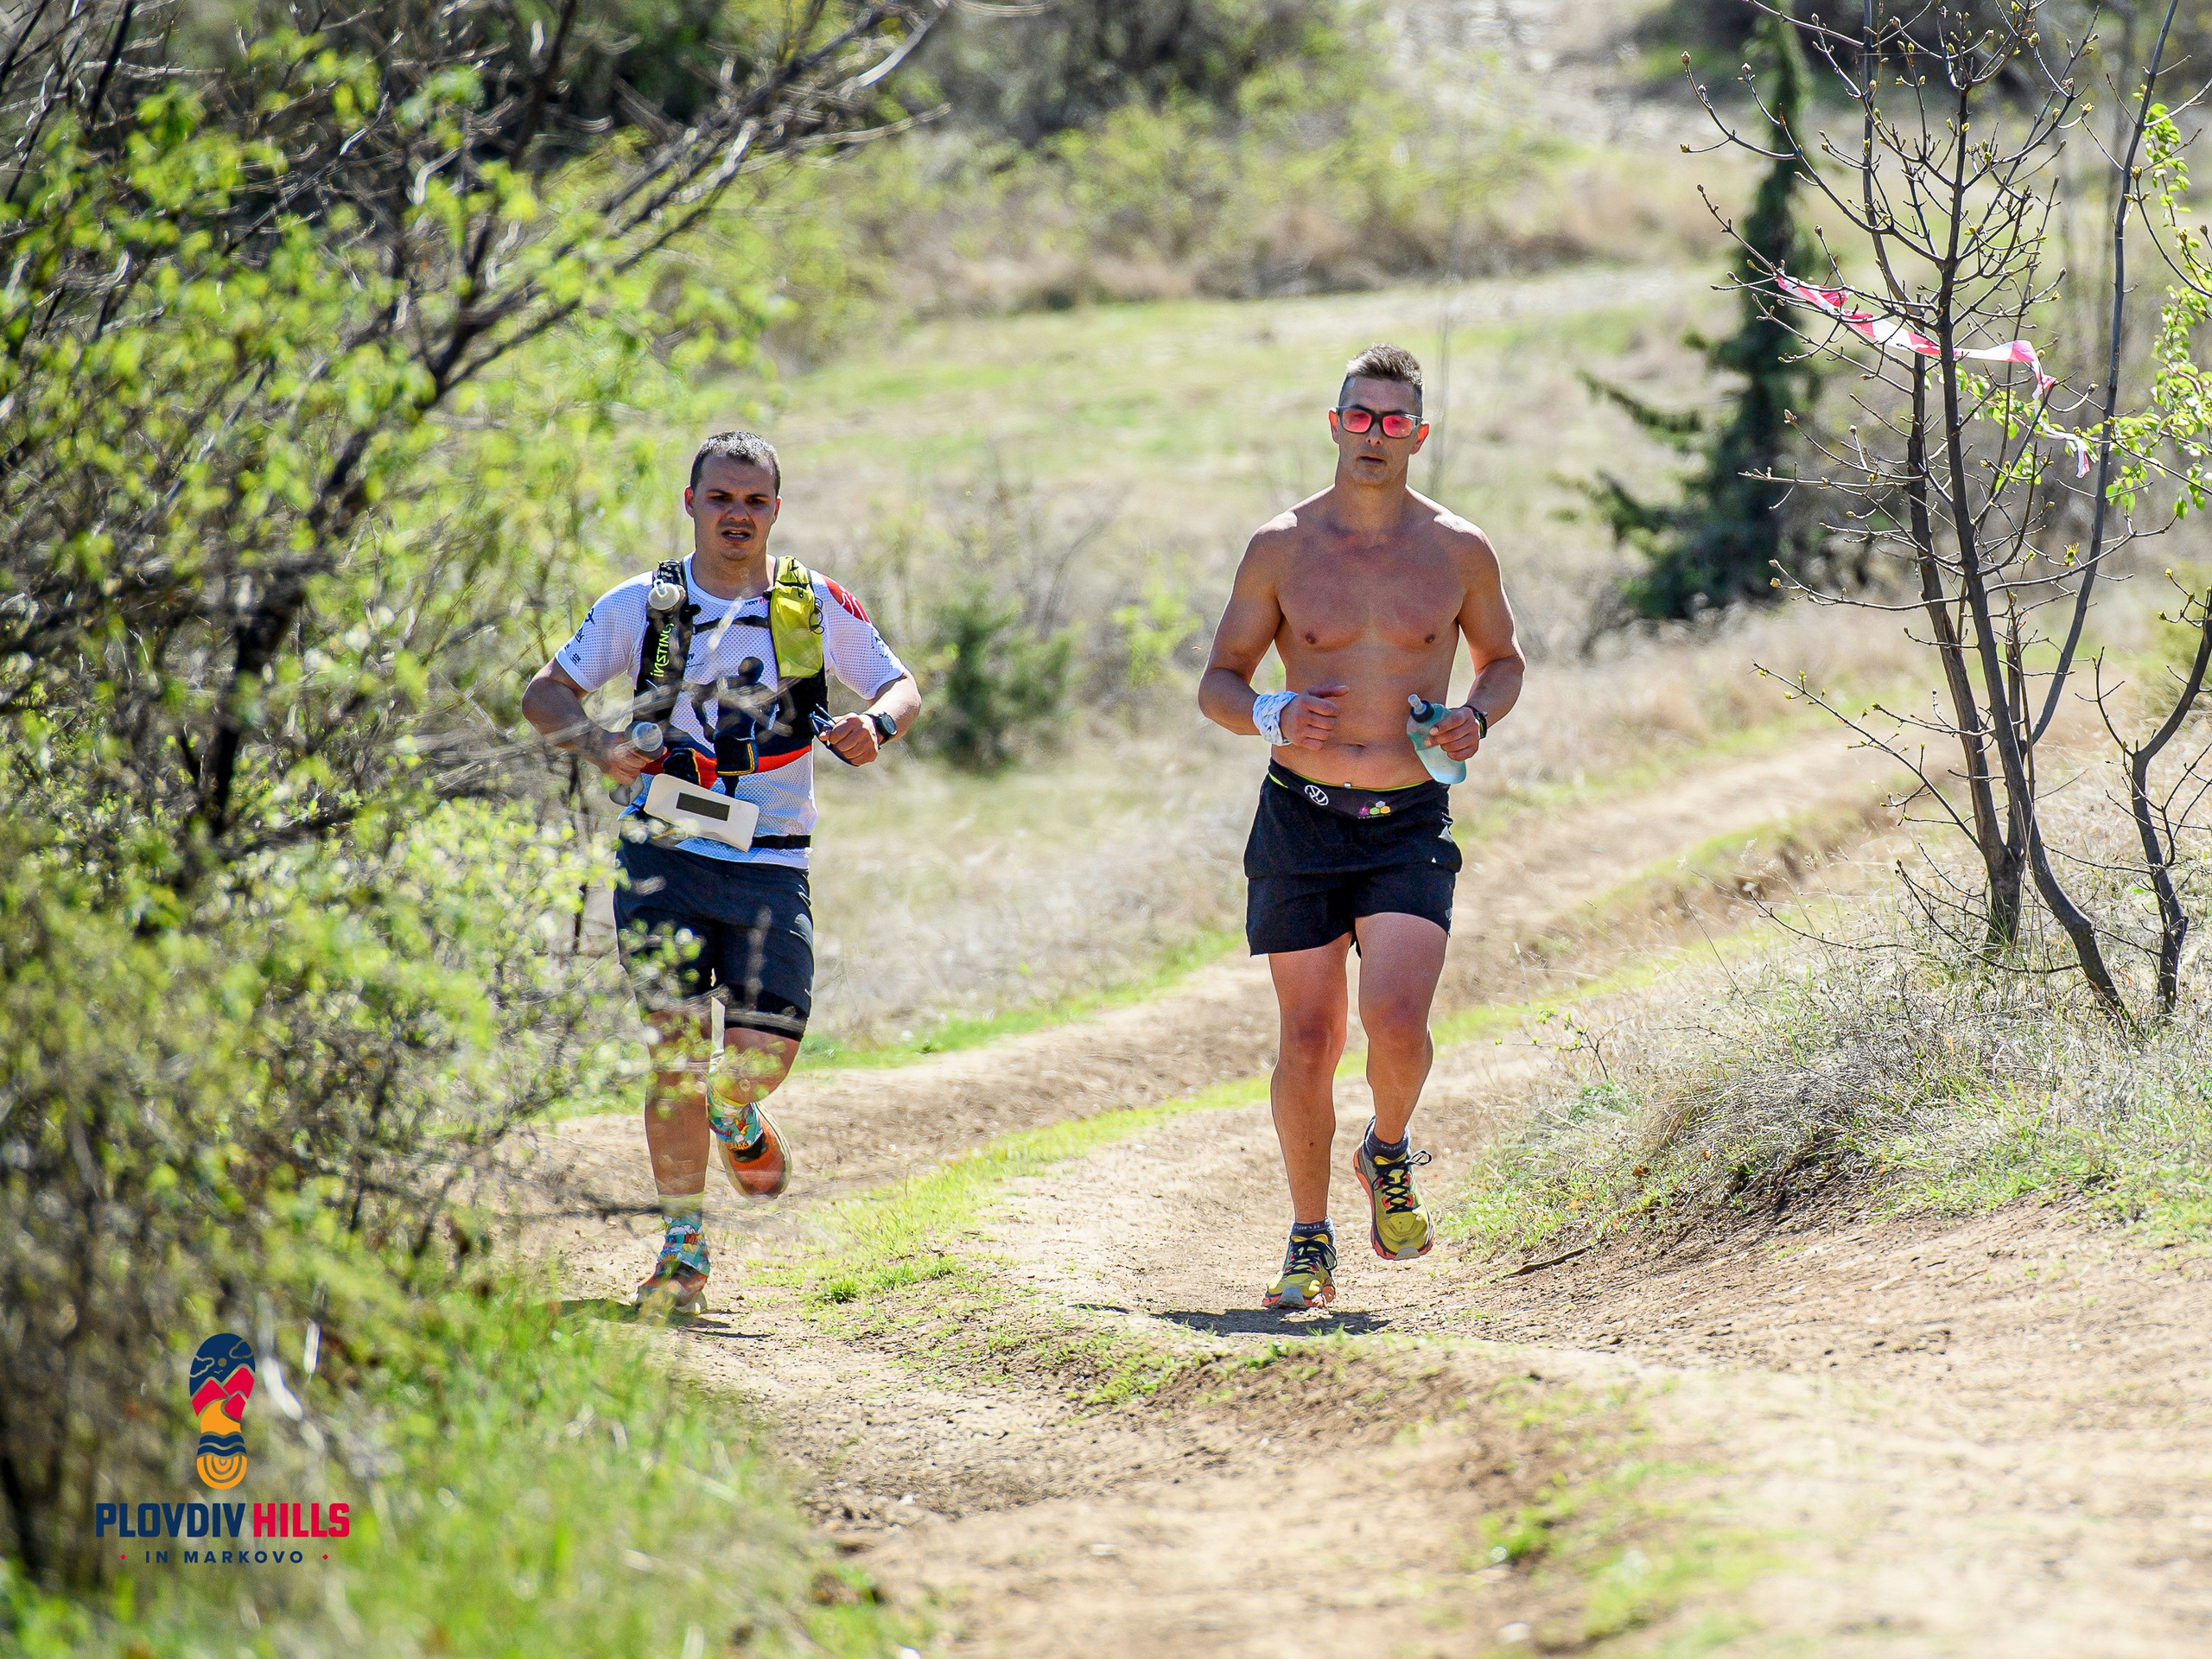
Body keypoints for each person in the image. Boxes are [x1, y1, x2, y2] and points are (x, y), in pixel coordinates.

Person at [524, 430, 922, 1312]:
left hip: (772, 861)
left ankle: (736, 1115)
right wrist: (600, 746)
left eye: (753, 501)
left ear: (775, 510)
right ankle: (682, 1246)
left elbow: (899, 685)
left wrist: (878, 727)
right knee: (673, 1055)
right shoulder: (642, 603)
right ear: (691, 504)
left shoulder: (810, 601)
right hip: (662, 849)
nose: (736, 515)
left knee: (758, 1059)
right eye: (721, 499)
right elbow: (544, 692)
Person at [1198, 344, 1524, 1312]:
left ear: (1419, 435)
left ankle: (1386, 1149)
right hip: (1300, 817)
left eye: (1394, 420)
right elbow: (1218, 679)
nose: (1375, 434)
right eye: (1360, 416)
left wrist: (1477, 714)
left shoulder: (1458, 549)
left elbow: (1504, 659)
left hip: (1407, 816)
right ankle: (1308, 1242)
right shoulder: (1282, 545)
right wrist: (1269, 715)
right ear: (1333, 424)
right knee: (1306, 1039)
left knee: (1396, 1021)